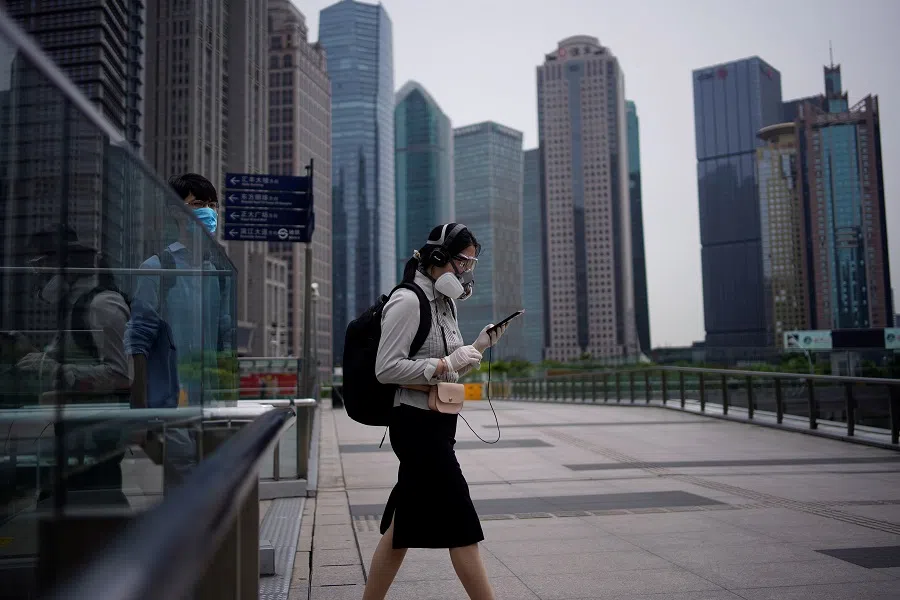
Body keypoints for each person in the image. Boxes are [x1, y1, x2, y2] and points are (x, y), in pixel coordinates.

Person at [363, 223, 508, 600]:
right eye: (462, 261)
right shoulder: (408, 301)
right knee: (460, 518)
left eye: (471, 264)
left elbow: (449, 364)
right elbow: (386, 369)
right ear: (439, 257)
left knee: (402, 528)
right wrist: (444, 364)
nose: (465, 271)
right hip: (415, 427)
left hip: (439, 423)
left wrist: (477, 347)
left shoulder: (445, 305)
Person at [125, 173, 232, 486]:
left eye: (212, 205)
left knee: (212, 488)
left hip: (210, 403)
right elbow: (138, 340)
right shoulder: (157, 267)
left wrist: (226, 399)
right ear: (174, 210)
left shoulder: (220, 271)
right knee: (182, 488)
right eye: (198, 204)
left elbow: (224, 339)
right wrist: (140, 412)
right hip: (172, 404)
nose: (208, 212)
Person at [15, 225, 133, 506]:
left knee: (95, 508)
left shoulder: (102, 305)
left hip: (98, 435)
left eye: (42, 265)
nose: (39, 274)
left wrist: (53, 370)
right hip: (75, 431)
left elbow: (122, 375)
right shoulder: (75, 305)